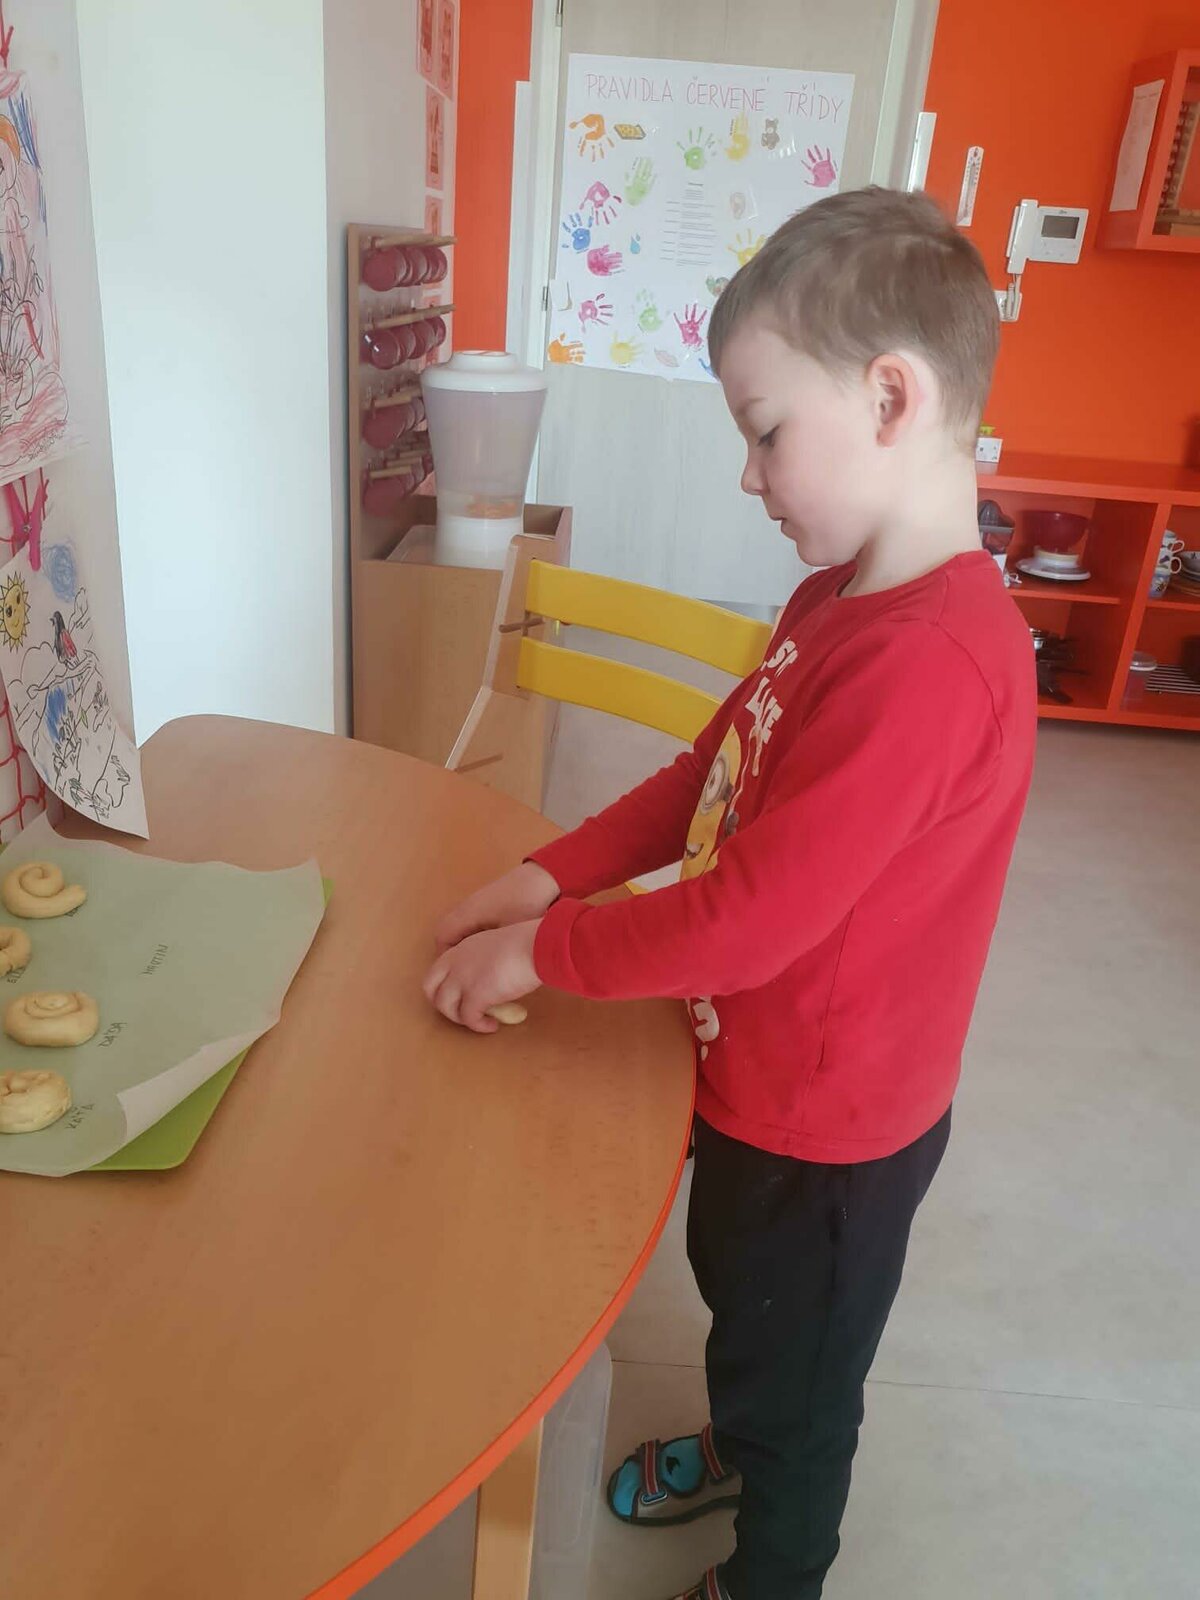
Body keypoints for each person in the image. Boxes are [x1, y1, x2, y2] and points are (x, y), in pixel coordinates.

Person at [423, 186, 1036, 1600]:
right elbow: (712, 775)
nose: (750, 477)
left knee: (800, 1377)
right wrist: (547, 872)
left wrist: (546, 952)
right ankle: (743, 1431)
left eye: (766, 432)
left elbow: (751, 916)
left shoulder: (931, 665)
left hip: (831, 1134)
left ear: (892, 397)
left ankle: (775, 1564)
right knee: (749, 1317)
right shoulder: (838, 598)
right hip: (756, 1070)